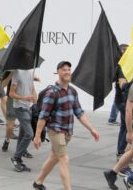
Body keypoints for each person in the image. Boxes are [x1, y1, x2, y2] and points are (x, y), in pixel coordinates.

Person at [32, 61, 101, 190]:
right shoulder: (52, 93)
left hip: (68, 132)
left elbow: (79, 113)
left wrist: (92, 129)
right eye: (64, 70)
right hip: (55, 131)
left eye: (69, 69)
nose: (67, 72)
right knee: (64, 159)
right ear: (58, 72)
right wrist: (37, 136)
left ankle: (38, 182)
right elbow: (43, 116)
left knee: (54, 157)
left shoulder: (72, 91)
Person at [8, 68, 37, 172]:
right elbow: (11, 93)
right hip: (20, 108)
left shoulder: (29, 72)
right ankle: (16, 157)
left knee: (22, 135)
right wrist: (24, 98)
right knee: (29, 134)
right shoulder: (17, 72)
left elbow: (32, 89)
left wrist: (35, 99)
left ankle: (18, 160)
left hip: (28, 108)